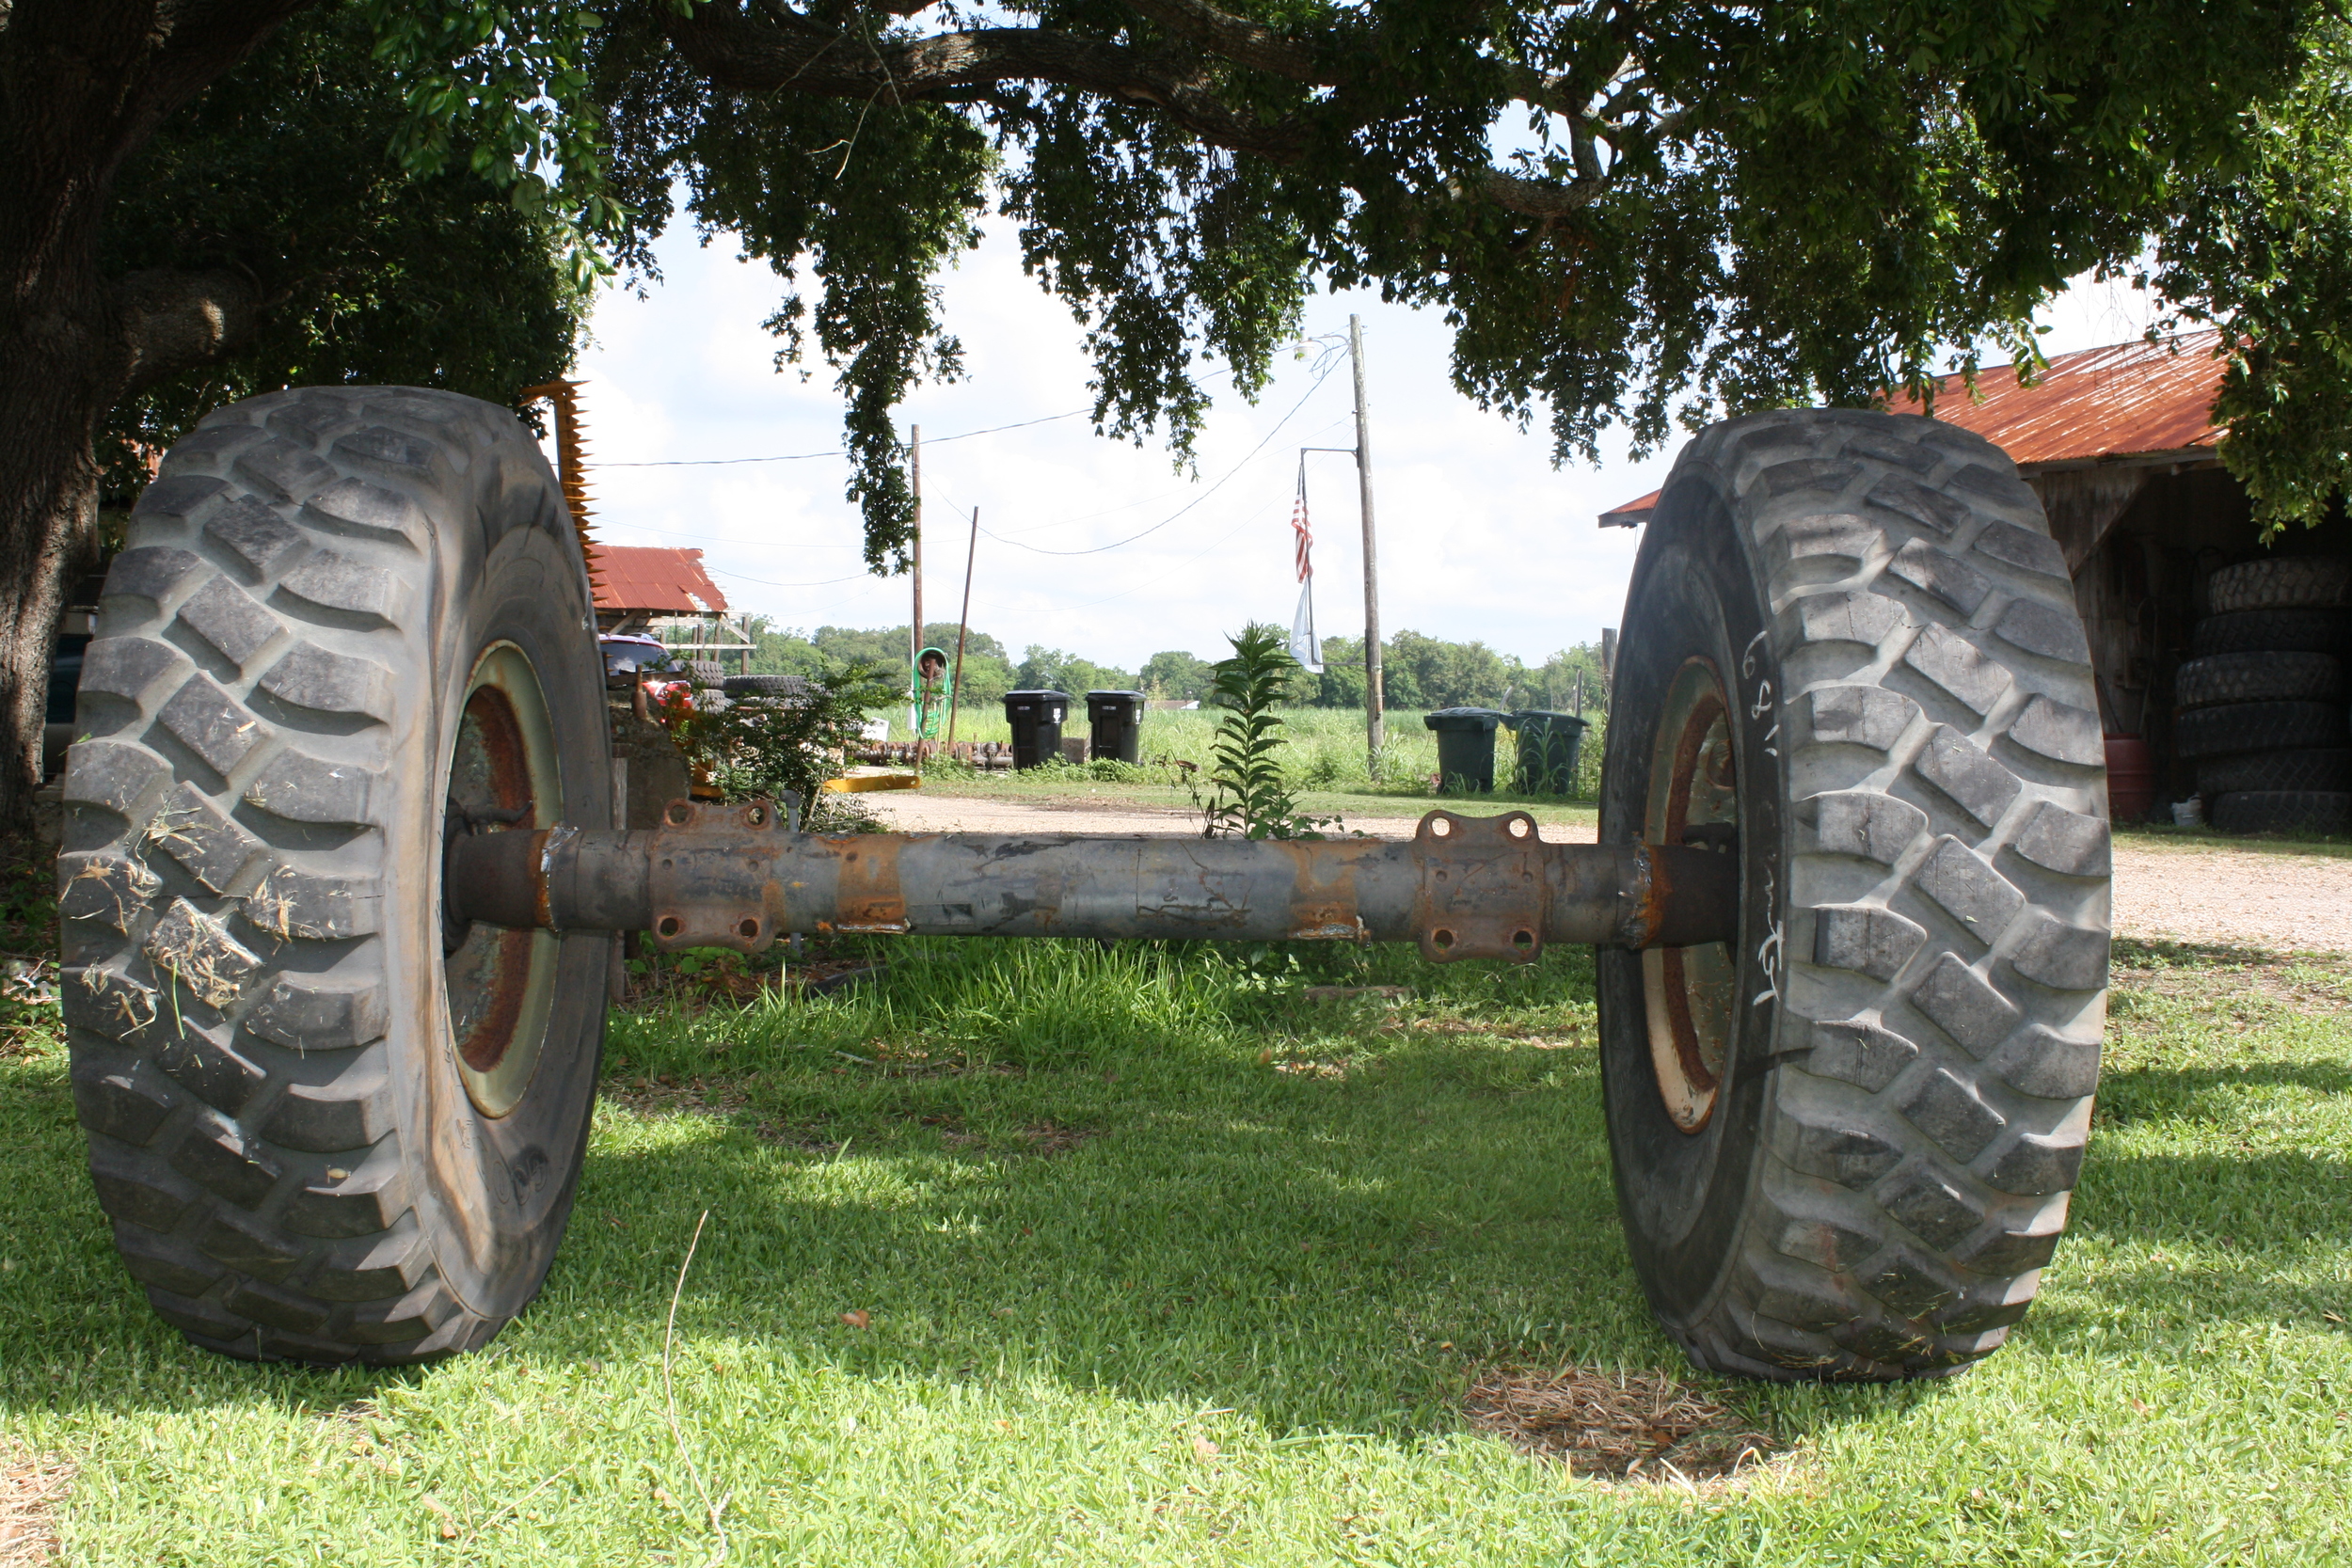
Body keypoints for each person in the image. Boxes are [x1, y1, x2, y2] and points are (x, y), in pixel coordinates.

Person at [912, 645, 952, 760]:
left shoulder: (940, 670)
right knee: (922, 718)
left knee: (936, 720)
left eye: (932, 663)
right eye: (928, 663)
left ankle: (937, 756)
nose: (930, 666)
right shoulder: (921, 668)